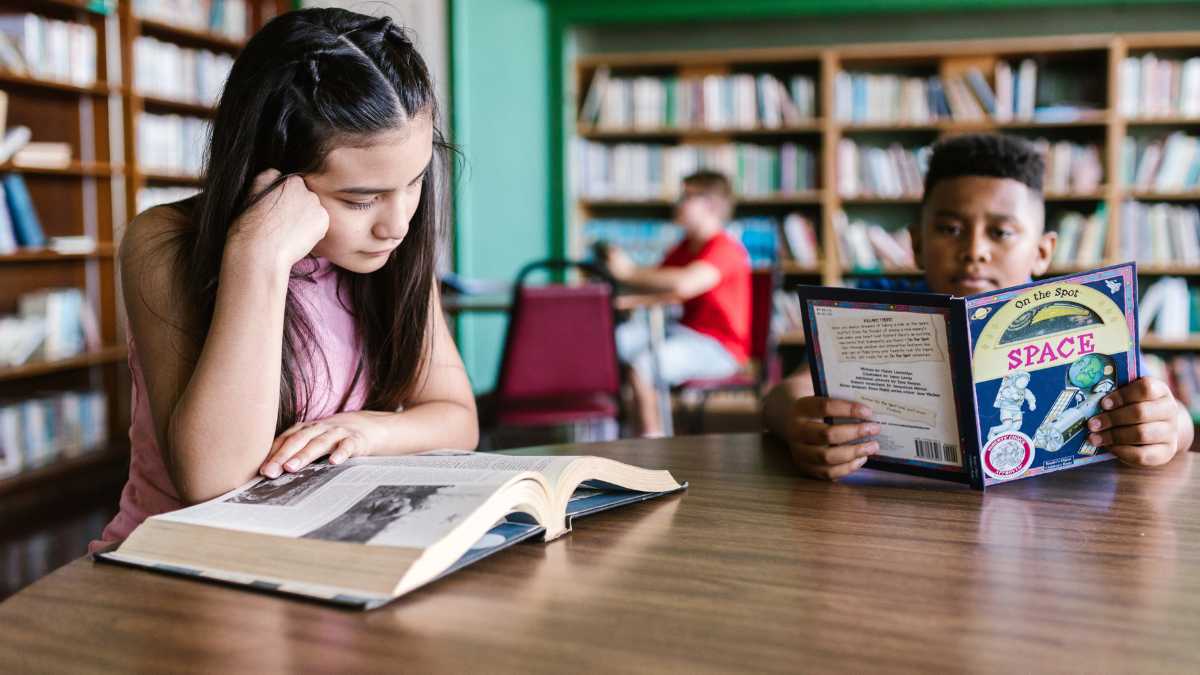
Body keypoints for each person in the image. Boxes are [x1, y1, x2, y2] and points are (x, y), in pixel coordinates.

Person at [91, 8, 477, 551]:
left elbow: (457, 416)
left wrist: (368, 432)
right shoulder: (164, 243)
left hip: (317, 555)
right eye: (360, 199)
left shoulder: (388, 246)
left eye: (413, 182)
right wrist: (258, 254)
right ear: (268, 172)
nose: (397, 223)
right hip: (181, 564)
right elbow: (212, 479)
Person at [762, 133, 1193, 479]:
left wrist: (1168, 428)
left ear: (1042, 252)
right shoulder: (874, 306)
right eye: (950, 229)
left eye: (1001, 233)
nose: (974, 251)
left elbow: (1171, 416)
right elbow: (787, 393)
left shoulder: (1077, 315)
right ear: (915, 244)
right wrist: (799, 422)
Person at [599, 170, 751, 436]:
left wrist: (628, 272)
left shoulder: (726, 249)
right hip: (681, 333)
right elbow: (656, 284)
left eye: (687, 196)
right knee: (612, 342)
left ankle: (651, 441)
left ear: (711, 205)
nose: (678, 203)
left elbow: (684, 284)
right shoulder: (684, 247)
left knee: (644, 365)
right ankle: (612, 429)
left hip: (719, 347)